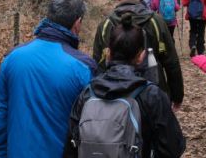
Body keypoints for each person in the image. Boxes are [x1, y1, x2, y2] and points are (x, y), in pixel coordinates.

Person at [0, 0, 96, 158]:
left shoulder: (12, 57)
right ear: (77, 23)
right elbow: (91, 129)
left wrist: (1, 154)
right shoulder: (84, 68)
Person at [65, 13, 186, 158]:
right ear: (141, 56)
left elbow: (71, 146)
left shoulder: (88, 93)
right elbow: (172, 148)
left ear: (108, 54)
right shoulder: (151, 95)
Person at [92, 0, 184, 109]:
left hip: (115, 96)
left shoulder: (106, 24)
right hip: (153, 92)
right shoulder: (155, 21)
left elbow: (98, 63)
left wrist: (98, 96)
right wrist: (177, 95)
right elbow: (171, 61)